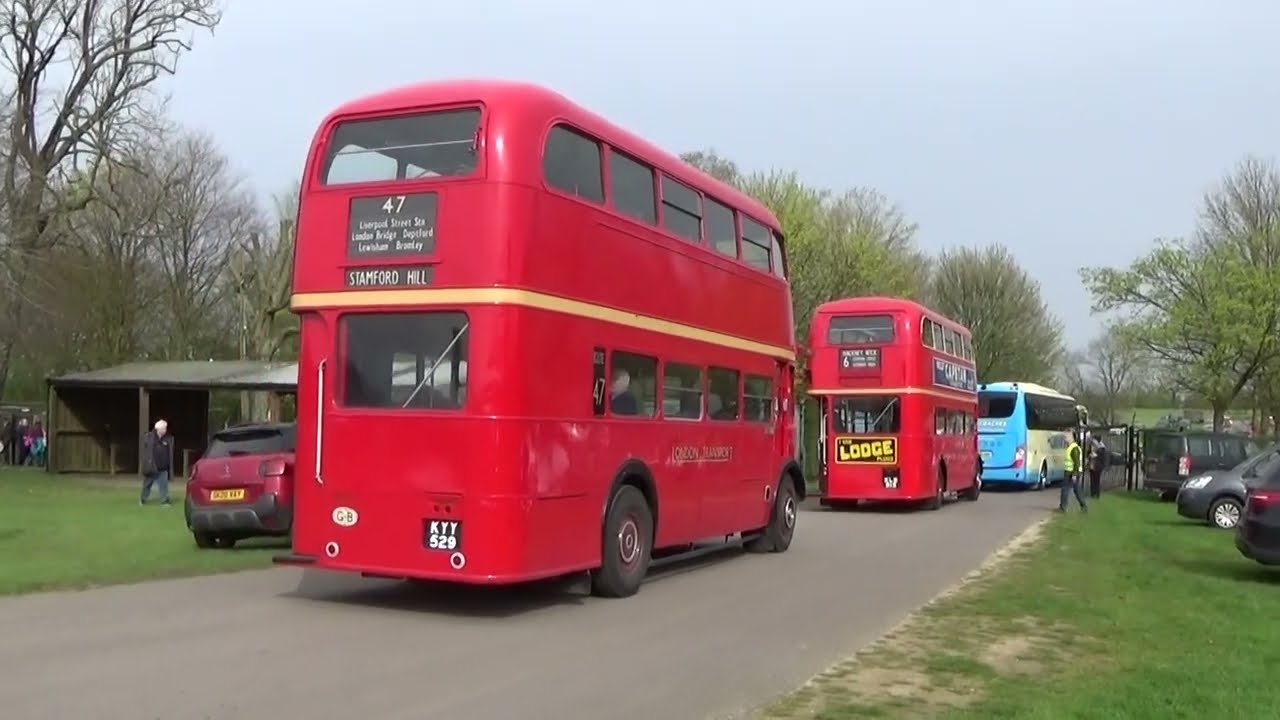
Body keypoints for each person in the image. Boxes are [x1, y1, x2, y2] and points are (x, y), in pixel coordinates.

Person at [140, 419, 173, 506]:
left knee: (164, 486)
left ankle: (164, 501)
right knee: (147, 485)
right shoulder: (149, 437)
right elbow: (146, 452)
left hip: (163, 467)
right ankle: (143, 499)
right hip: (152, 467)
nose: (165, 430)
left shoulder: (167, 438)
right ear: (159, 429)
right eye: (164, 428)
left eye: (165, 428)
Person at [1060, 429, 1088, 513]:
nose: (1064, 439)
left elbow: (1076, 462)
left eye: (1066, 437)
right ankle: (1083, 506)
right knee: (1076, 490)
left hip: (1071, 472)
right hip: (1070, 471)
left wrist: (1074, 474)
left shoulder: (1074, 448)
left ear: (1071, 437)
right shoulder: (1071, 447)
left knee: (1065, 489)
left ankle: (1063, 507)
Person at [1086, 430, 1107, 498]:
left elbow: (1102, 457)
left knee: (1097, 480)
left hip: (1098, 466)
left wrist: (1096, 456)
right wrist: (1089, 455)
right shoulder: (1092, 446)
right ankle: (1092, 493)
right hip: (1092, 465)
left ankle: (1097, 494)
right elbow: (1088, 453)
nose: (1093, 441)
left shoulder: (1102, 448)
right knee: (1092, 479)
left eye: (1094, 440)